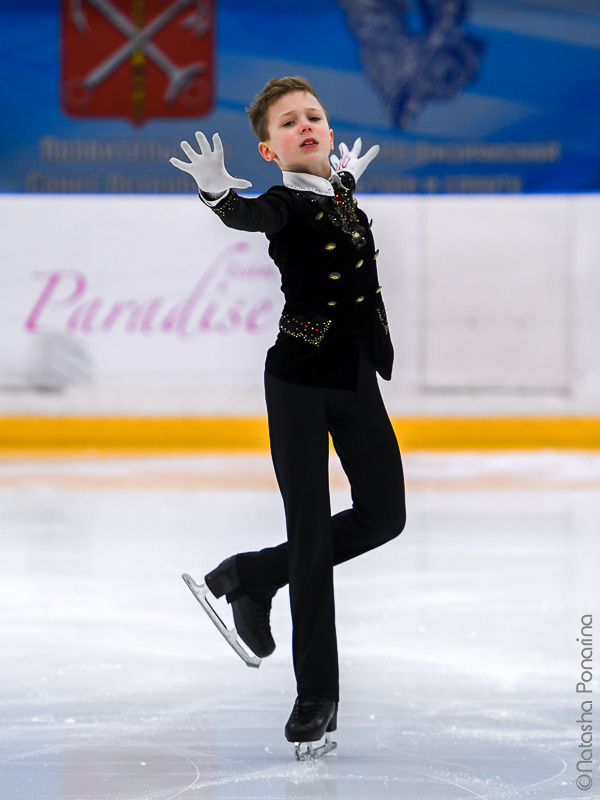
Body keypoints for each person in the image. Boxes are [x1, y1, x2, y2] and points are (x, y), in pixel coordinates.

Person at [170, 76, 406, 755]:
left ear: (328, 133)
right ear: (269, 151)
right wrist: (217, 193)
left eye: (315, 117)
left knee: (384, 516)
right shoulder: (280, 203)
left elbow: (334, 208)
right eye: (288, 123)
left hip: (356, 375)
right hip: (300, 379)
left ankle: (250, 574)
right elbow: (255, 217)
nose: (306, 126)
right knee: (309, 534)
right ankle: (316, 695)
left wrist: (345, 185)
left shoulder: (337, 197)